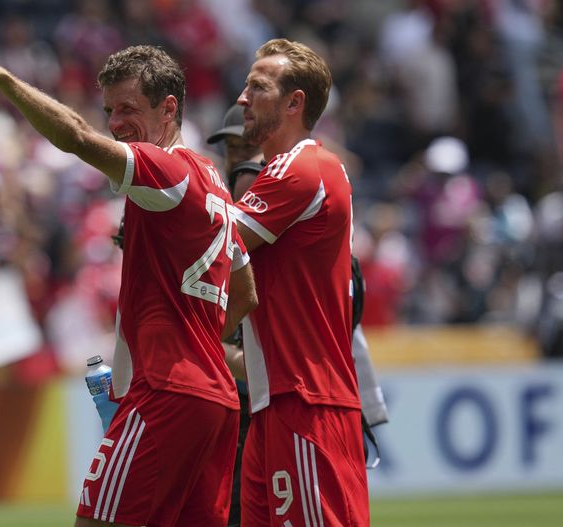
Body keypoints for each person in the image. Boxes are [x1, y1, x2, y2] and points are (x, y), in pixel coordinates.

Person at [0, 37, 258, 527]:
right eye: (110, 109)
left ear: (168, 109)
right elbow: (246, 291)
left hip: (166, 393)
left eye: (128, 108)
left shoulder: (165, 172)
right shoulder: (210, 178)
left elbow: (78, 138)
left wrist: (2, 80)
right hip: (214, 401)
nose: (115, 123)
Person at [208, 103, 387, 527]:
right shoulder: (252, 241)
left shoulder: (293, 233)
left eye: (244, 151)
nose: (236, 163)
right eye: (230, 151)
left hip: (296, 401)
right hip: (264, 411)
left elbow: (298, 349)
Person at [232, 38, 370, 526]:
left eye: (257, 87)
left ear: (295, 103)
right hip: (279, 401)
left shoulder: (303, 166)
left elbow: (213, 247)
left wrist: (162, 180)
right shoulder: (285, 170)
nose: (242, 99)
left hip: (306, 401)